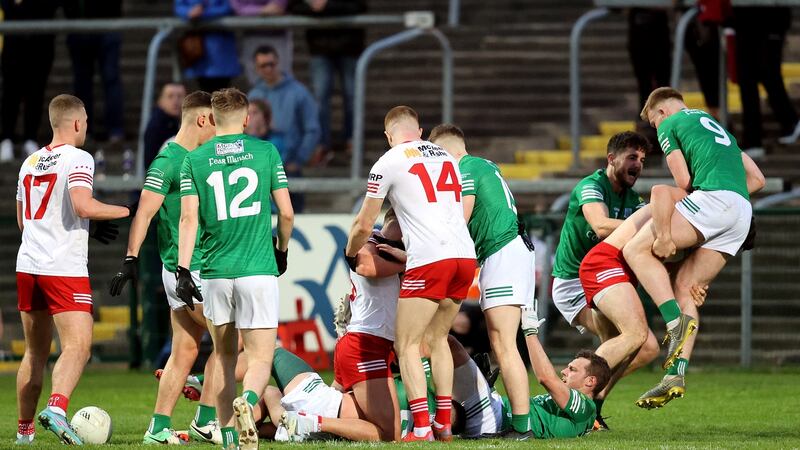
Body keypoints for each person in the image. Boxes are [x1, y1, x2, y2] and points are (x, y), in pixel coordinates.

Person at [627, 87, 766, 408]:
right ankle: (675, 374)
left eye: (653, 122)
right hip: (741, 211)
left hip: (712, 199)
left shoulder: (669, 124)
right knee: (687, 287)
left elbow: (683, 180)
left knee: (637, 250)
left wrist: (672, 229)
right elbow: (758, 179)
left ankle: (674, 322)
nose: (656, 128)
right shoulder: (717, 128)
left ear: (661, 112)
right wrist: (727, 202)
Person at [344, 106, 476, 442]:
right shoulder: (446, 158)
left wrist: (351, 251)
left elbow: (364, 223)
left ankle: (421, 428)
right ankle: (443, 423)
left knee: (407, 345)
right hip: (464, 255)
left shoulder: (388, 161)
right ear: (419, 131)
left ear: (389, 136)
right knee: (439, 339)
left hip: (429, 257)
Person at [177, 88, 294, 450]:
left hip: (214, 273)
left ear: (212, 119)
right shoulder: (265, 152)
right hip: (257, 270)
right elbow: (287, 213)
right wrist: (281, 250)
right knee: (259, 358)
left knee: (223, 358)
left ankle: (229, 436)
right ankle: (249, 399)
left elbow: (188, 218)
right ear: (246, 119)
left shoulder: (194, 159)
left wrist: (183, 270)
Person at [15, 94, 132, 445]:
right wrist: (130, 210)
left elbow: (24, 221)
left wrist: (82, 228)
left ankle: (24, 432)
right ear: (78, 123)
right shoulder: (79, 157)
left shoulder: (29, 162)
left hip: (28, 264)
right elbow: (83, 206)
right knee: (79, 346)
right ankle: (57, 408)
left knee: (34, 352)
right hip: (63, 266)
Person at [108, 91, 223, 445]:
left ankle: (157, 428)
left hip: (183, 270)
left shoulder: (197, 157)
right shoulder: (169, 159)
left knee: (185, 350)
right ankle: (206, 420)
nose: (219, 130)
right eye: (215, 122)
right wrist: (131, 258)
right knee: (233, 343)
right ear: (202, 119)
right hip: (193, 270)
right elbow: (144, 212)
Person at [429, 123, 536, 440]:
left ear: (445, 151)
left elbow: (460, 221)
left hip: (504, 253)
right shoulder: (484, 165)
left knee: (504, 344)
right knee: (501, 343)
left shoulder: (466, 169)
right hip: (508, 252)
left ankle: (522, 428)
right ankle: (518, 424)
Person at [550, 131, 647, 426]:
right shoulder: (591, 186)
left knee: (639, 346)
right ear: (611, 159)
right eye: (632, 157)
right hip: (572, 282)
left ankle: (591, 407)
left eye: (643, 159)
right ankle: (572, 401)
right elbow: (601, 226)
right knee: (631, 338)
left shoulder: (634, 199)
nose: (638, 164)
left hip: (603, 277)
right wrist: (648, 224)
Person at [290, 0, 366, 162]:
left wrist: (326, 6)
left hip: (349, 45)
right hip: (320, 46)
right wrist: (313, 6)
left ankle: (352, 140)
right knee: (320, 98)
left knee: (352, 96)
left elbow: (359, 5)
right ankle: (322, 144)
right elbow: (294, 6)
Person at [248, 45, 321, 212]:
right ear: (256, 68)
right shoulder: (254, 95)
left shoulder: (299, 92)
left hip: (289, 166)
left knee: (291, 214)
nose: (268, 69)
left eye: (271, 64)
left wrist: (299, 159)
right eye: (263, 65)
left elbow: (312, 128)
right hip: (260, 167)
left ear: (278, 63)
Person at [731, 7, 800, 152]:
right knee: (748, 77)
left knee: (766, 72)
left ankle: (788, 122)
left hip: (768, 16)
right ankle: (754, 139)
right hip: (745, 19)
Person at [0, 0, 59, 161]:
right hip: (12, 43)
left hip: (40, 44)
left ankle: (30, 138)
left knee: (36, 92)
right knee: (10, 92)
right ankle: (6, 139)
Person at [64, 0, 125, 142]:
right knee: (82, 82)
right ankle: (85, 131)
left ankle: (115, 130)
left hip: (108, 24)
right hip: (79, 27)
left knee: (110, 79)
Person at [175, 0, 242, 93]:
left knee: (221, 91)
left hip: (221, 49)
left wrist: (203, 13)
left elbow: (229, 7)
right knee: (202, 92)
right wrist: (189, 12)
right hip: (197, 52)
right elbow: (179, 7)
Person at [231, 0, 294, 85]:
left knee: (282, 79)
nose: (268, 69)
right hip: (251, 35)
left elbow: (278, 7)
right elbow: (238, 8)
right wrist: (262, 10)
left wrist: (277, 6)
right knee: (254, 81)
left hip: (278, 34)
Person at [144, 83, 187, 167]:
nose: (175, 101)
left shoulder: (184, 121)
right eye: (170, 96)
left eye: (179, 96)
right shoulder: (156, 127)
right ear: (160, 100)